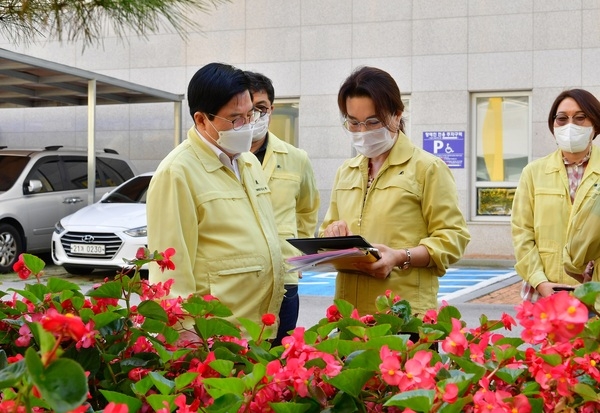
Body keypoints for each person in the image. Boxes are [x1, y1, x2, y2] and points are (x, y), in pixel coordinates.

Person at [319, 66, 471, 317]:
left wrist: (400, 256)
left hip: (405, 314)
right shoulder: (346, 171)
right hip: (351, 314)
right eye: (353, 123)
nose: (363, 132)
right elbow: (329, 230)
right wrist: (331, 234)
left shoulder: (427, 168)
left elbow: (453, 238)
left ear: (397, 115)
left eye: (372, 122)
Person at [146, 62, 285, 332]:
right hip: (216, 339)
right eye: (236, 119)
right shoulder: (177, 173)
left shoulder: (248, 162)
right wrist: (187, 344)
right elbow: (169, 274)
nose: (247, 126)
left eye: (250, 115)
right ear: (201, 119)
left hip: (259, 331)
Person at [245, 71, 320, 345]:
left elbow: (307, 209)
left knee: (280, 354)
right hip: (240, 275)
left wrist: (301, 254)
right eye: (248, 108)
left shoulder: (296, 158)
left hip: (285, 275)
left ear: (272, 110)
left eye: (261, 108)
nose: (254, 116)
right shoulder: (227, 156)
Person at [512, 88, 600, 300]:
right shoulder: (533, 172)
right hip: (543, 292)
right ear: (553, 125)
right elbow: (522, 233)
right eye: (562, 119)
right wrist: (540, 281)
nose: (570, 125)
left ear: (595, 125)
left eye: (580, 118)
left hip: (595, 293)